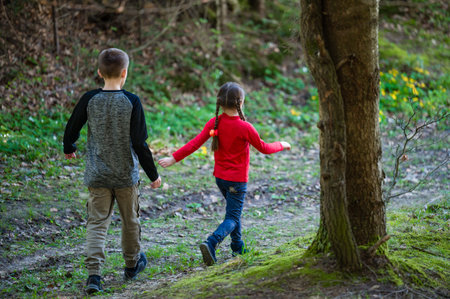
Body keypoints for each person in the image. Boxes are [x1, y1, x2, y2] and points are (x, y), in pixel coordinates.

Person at [158, 82, 291, 266]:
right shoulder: (245, 127)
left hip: (220, 179)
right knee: (233, 217)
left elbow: (194, 143)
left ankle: (237, 246)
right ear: (241, 102)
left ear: (219, 103)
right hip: (237, 181)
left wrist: (174, 158)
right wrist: (282, 144)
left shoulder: (215, 123)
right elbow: (265, 148)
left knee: (233, 213)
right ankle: (211, 242)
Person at [63, 48, 161, 294]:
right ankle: (131, 265)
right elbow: (140, 143)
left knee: (97, 223)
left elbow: (72, 125)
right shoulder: (132, 101)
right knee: (130, 220)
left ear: (99, 72)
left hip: (97, 175)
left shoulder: (89, 99)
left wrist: (69, 146)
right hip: (126, 176)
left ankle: (94, 276)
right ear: (125, 73)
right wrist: (153, 174)